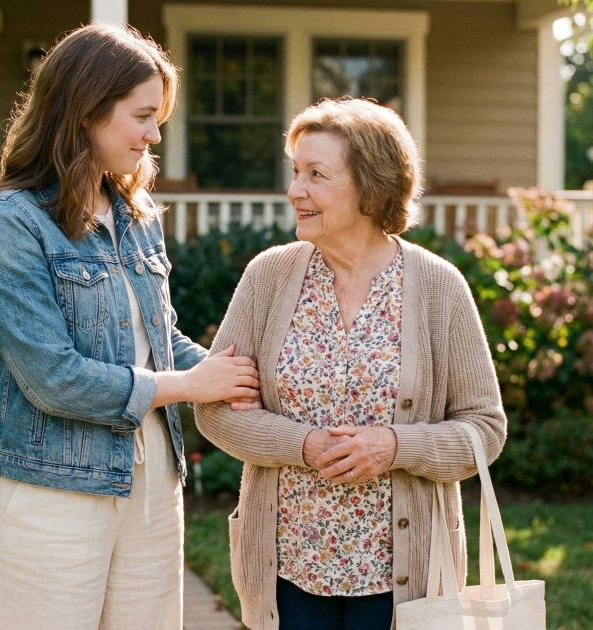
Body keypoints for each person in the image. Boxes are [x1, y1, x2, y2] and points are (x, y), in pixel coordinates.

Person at [0, 24, 261, 630]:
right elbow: (52, 378)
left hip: (153, 481)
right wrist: (191, 386)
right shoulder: (10, 221)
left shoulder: (136, 214)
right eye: (143, 117)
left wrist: (233, 373)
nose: (155, 136)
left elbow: (160, 341)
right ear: (86, 111)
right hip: (55, 489)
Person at [195, 98, 507, 630]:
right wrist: (304, 444)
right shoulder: (268, 277)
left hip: (404, 581)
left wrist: (395, 446)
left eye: (316, 175)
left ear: (371, 185)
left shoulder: (439, 287)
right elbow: (215, 409)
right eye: (296, 172)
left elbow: (485, 429)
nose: (296, 190)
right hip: (288, 571)